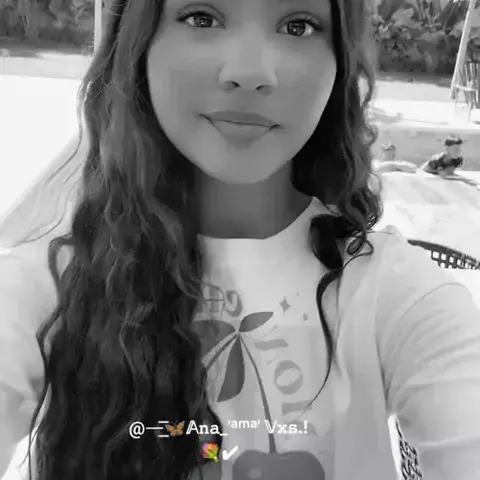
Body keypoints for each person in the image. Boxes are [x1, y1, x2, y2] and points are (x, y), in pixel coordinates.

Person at [0, 1, 479, 480]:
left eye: (298, 25)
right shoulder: (50, 282)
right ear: (137, 44)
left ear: (340, 61)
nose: (250, 73)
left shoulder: (395, 296)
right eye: (202, 17)